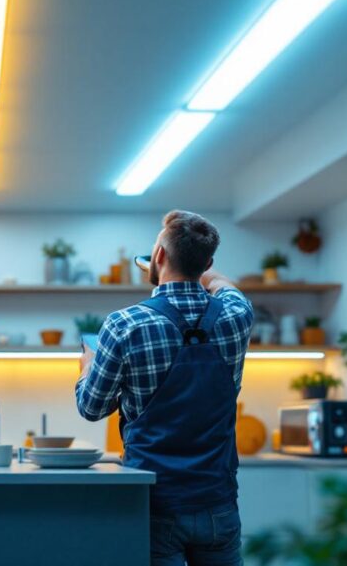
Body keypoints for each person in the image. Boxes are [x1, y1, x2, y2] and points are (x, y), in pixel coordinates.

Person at [76, 210, 254, 566]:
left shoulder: (125, 323)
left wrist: (87, 367)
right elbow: (224, 286)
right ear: (207, 263)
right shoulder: (237, 315)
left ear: (158, 256)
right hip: (218, 504)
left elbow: (92, 408)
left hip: (154, 504)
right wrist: (201, 269)